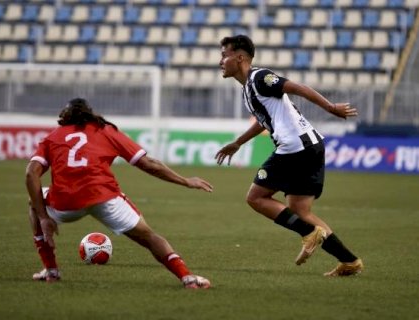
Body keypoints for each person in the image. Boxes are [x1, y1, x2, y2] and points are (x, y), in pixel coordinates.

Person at [215, 35, 363, 276]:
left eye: (224, 55)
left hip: (296, 148)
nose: (220, 61)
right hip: (310, 147)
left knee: (255, 198)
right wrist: (238, 143)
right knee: (300, 211)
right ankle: (349, 261)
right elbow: (265, 122)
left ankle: (308, 233)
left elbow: (298, 88)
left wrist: (330, 107)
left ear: (239, 57)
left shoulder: (260, 77)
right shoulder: (248, 90)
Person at [25, 98, 213, 288]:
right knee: (149, 237)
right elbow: (148, 164)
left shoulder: (53, 137)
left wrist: (43, 218)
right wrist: (185, 181)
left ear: (64, 116)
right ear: (89, 113)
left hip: (65, 203)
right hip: (104, 197)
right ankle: (187, 277)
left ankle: (51, 271)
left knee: (33, 202)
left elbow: (31, 173)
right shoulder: (105, 130)